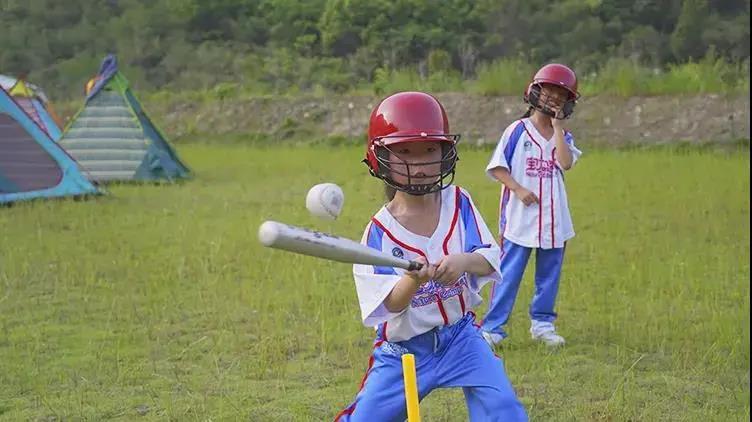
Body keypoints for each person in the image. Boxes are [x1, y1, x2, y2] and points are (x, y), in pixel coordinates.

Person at [335, 91, 527, 421]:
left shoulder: (459, 202)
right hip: (404, 351)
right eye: (404, 153)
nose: (419, 164)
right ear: (380, 158)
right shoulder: (378, 232)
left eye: (428, 152)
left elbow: (490, 257)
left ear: (445, 153)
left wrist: (462, 262)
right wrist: (411, 279)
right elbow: (391, 305)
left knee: (504, 410)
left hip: (461, 339)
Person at [480, 64, 583, 348]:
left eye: (561, 96)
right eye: (549, 92)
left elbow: (565, 163)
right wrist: (518, 189)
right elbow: (497, 167)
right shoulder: (517, 131)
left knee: (548, 276)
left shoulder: (565, 136)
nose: (553, 99)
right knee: (509, 274)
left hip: (554, 220)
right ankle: (493, 328)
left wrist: (559, 128)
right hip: (520, 218)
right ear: (536, 92)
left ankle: (542, 325)